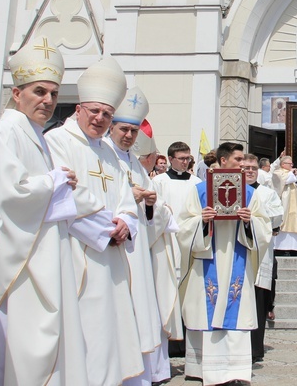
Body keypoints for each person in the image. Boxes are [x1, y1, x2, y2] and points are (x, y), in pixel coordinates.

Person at [0, 36, 87, 385]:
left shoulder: (36, 133)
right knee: (11, 346)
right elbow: (8, 193)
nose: (48, 100)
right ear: (16, 93)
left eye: (54, 94)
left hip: (41, 251)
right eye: (39, 91)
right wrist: (53, 181)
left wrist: (58, 183)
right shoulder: (5, 132)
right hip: (18, 259)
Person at [45, 57, 145, 385]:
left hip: (111, 256)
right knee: (84, 333)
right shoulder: (56, 142)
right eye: (94, 111)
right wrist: (108, 228)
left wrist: (126, 222)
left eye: (107, 114)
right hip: (76, 252)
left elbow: (125, 197)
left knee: (110, 332)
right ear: (78, 109)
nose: (100, 119)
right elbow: (65, 194)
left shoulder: (107, 152)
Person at [177, 142, 272, 385]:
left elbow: (264, 228)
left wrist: (251, 222)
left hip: (238, 258)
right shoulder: (199, 191)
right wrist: (202, 221)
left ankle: (235, 371)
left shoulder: (250, 193)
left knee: (236, 311)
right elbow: (184, 227)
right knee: (206, 308)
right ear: (222, 161)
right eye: (238, 159)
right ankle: (201, 368)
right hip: (208, 260)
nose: (243, 164)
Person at [105, 87, 171, 385]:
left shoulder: (134, 162)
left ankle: (143, 374)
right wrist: (128, 197)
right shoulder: (102, 156)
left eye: (133, 131)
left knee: (141, 309)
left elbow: (149, 213)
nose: (129, 136)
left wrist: (148, 203)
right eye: (124, 129)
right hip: (113, 247)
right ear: (111, 127)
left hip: (137, 248)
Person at [151, 141, 201, 359]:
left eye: (188, 158)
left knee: (189, 291)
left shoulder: (197, 182)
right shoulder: (159, 182)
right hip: (168, 241)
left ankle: (188, 344)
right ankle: (169, 342)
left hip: (191, 242)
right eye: (181, 158)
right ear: (170, 159)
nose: (185, 161)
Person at [242, 154, 284, 363]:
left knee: (258, 302)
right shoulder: (232, 190)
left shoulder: (267, 193)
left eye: (252, 167)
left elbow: (278, 216)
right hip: (237, 255)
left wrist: (256, 218)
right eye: (245, 167)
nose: (249, 171)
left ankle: (254, 349)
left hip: (260, 254)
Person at [271, 154, 297, 256]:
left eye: (292, 163)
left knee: (295, 222)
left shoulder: (293, 174)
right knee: (282, 222)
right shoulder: (277, 173)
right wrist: (292, 175)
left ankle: (294, 248)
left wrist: (295, 177)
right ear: (283, 164)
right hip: (284, 203)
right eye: (289, 163)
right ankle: (280, 248)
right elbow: (283, 181)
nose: (292, 165)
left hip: (295, 204)